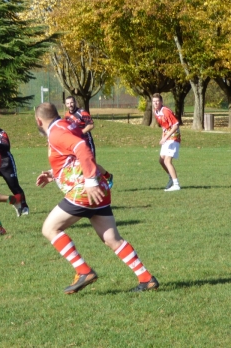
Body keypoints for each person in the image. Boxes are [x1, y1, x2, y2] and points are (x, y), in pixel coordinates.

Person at [35, 102, 159, 294]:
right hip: (97, 190)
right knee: (112, 238)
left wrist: (90, 181)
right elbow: (75, 157)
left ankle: (83, 271)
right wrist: (54, 174)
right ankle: (146, 278)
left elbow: (81, 147)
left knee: (49, 228)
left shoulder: (56, 132)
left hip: (84, 190)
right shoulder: (68, 125)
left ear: (38, 120)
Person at [0, 113, 29, 216]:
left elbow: (6, 147)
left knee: (13, 186)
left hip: (5, 162)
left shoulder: (2, 133)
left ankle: (24, 205)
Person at [152, 93, 181, 192]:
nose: (155, 103)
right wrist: (163, 137)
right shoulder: (156, 112)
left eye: (157, 101)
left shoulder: (166, 111)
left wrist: (166, 138)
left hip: (174, 137)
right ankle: (171, 177)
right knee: (161, 160)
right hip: (167, 138)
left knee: (167, 161)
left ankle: (176, 184)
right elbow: (164, 127)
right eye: (154, 101)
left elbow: (176, 125)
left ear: (161, 102)